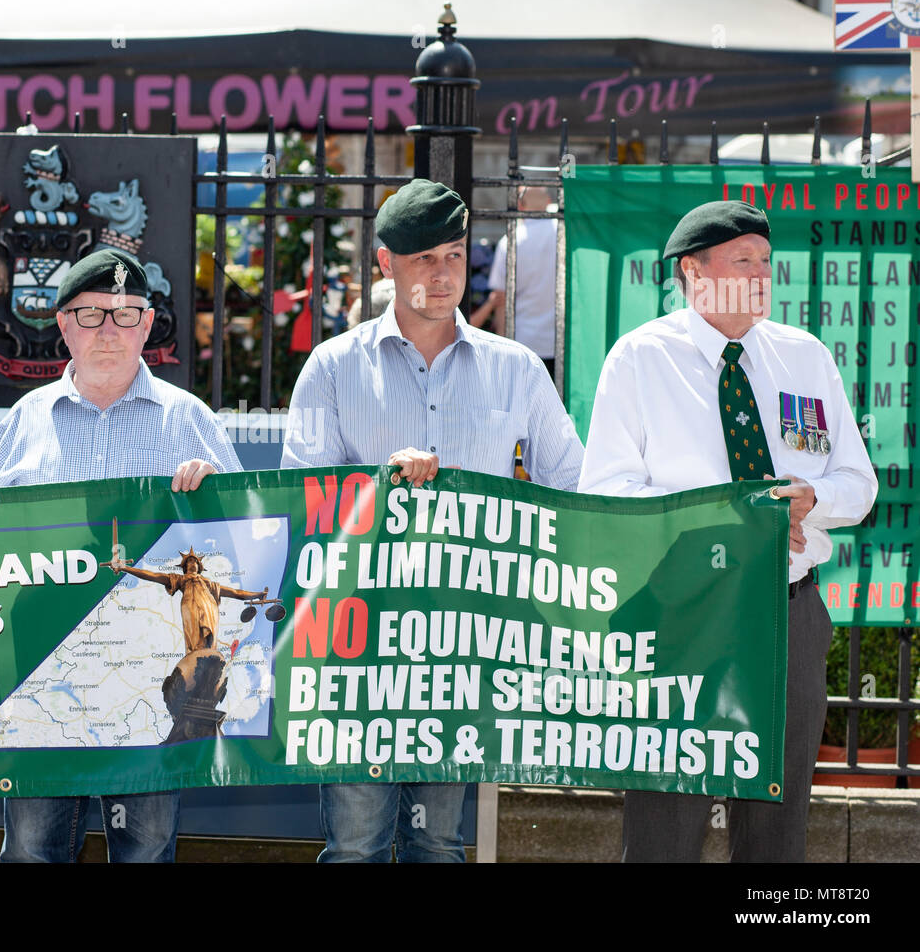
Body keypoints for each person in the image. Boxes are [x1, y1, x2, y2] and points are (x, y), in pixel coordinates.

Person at [281, 178, 585, 862]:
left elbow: (575, 484)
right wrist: (379, 482)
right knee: (355, 844)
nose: (444, 273)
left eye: (453, 255)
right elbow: (305, 502)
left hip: (464, 643)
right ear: (385, 264)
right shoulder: (330, 369)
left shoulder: (517, 371)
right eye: (425, 258)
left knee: (439, 844)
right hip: (357, 646)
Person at [578, 199, 877, 862]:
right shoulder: (640, 360)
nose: (764, 273)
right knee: (665, 827)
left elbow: (857, 486)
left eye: (768, 260)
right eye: (745, 259)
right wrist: (734, 518)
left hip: (787, 612)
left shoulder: (804, 357)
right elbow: (606, 492)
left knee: (777, 831)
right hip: (682, 612)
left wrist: (810, 498)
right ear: (694, 270)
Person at [0, 248, 243, 863]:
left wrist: (212, 499)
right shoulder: (26, 421)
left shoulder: (191, 420)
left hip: (147, 673)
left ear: (148, 325)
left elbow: (236, 547)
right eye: (93, 314)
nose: (110, 331)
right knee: (30, 848)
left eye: (127, 315)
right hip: (43, 668)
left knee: (147, 849)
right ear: (64, 325)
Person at [471, 185, 559, 376]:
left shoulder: (510, 241)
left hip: (522, 339)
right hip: (559, 340)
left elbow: (500, 298)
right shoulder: (563, 235)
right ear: (548, 202)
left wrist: (503, 341)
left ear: (519, 205)